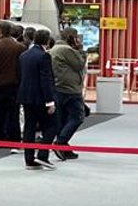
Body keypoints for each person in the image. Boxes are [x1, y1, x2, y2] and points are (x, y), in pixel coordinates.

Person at [17, 28, 58, 170]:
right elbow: (45, 80)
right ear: (47, 41)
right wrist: (50, 101)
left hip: (26, 96)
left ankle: (29, 160)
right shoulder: (44, 56)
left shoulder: (24, 55)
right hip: (40, 98)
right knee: (52, 125)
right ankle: (42, 155)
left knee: (29, 127)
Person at [0, 20, 24, 157]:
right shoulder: (20, 47)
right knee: (13, 116)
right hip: (14, 86)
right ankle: (15, 144)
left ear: (0, 31)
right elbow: (21, 68)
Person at [51, 27, 88, 160]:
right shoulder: (66, 50)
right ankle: (60, 142)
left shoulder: (54, 49)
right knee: (78, 117)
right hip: (70, 89)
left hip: (58, 88)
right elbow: (79, 64)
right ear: (71, 38)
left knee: (63, 120)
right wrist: (81, 50)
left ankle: (64, 147)